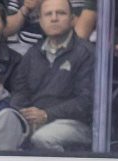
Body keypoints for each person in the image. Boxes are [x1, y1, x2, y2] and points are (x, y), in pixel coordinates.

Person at [10, 0, 94, 151]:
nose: (54, 18)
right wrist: (22, 113)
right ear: (40, 21)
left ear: (72, 19)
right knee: (3, 129)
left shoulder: (86, 53)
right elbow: (20, 92)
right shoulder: (32, 53)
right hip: (35, 121)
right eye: (48, 14)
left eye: (61, 13)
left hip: (76, 124)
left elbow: (86, 101)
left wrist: (47, 114)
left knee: (43, 138)